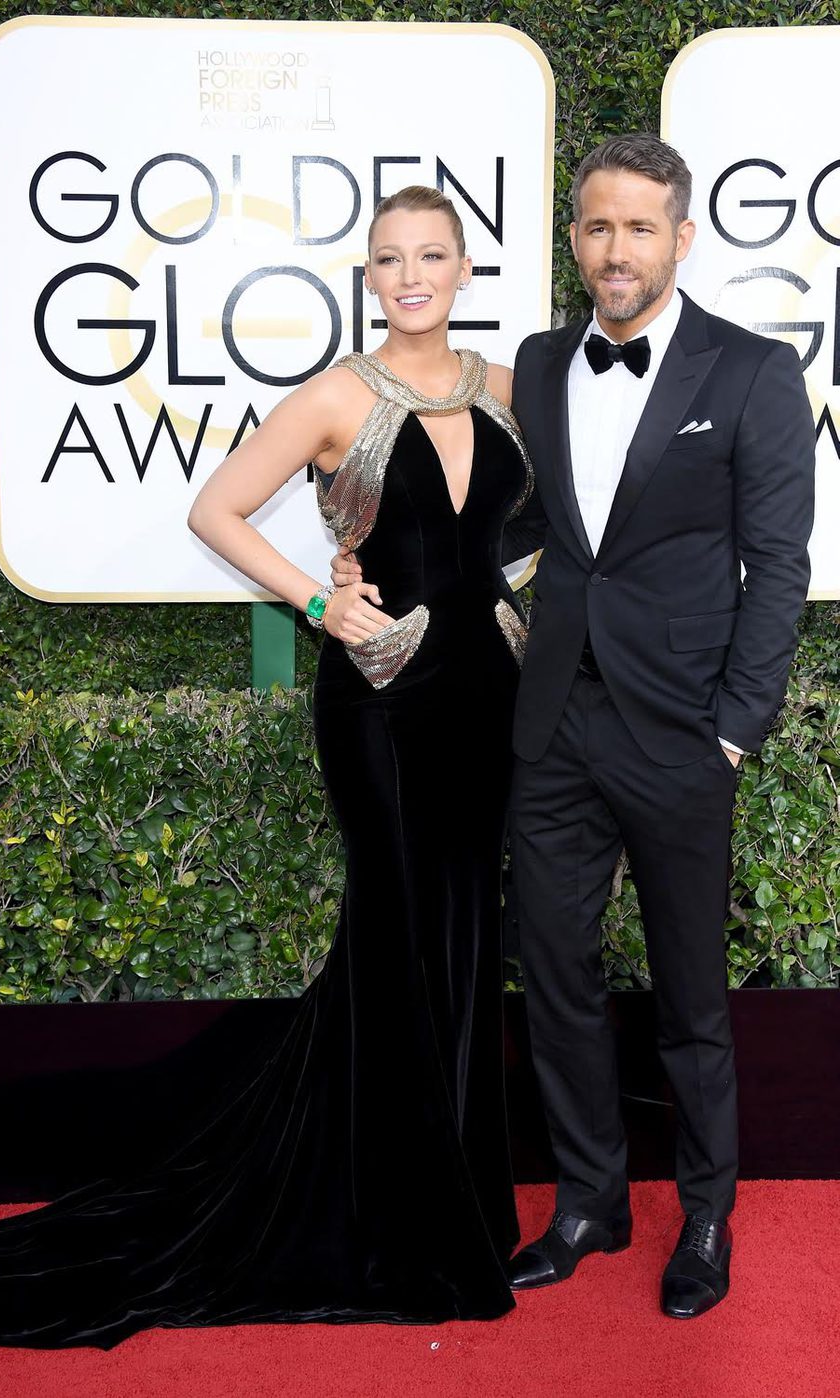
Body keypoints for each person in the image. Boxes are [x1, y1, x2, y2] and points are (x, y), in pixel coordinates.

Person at [0, 186, 533, 1347]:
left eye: (431, 256)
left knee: (466, 939)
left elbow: (534, 531)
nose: (410, 277)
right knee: (397, 942)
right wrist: (318, 601)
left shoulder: (502, 389)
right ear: (369, 276)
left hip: (488, 708)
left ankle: (454, 1201)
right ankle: (401, 1220)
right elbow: (217, 508)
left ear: (462, 269)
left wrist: (515, 602)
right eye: (389, 259)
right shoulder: (337, 396)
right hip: (382, 702)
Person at [337, 135, 816, 1320]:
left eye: (640, 228)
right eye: (597, 228)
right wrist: (348, 551)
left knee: (693, 996)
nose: (617, 250)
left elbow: (781, 568)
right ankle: (593, 1201)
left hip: (682, 736)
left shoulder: (752, 372)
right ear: (574, 241)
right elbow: (468, 496)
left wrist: (733, 733)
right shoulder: (539, 366)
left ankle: (706, 1217)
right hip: (551, 724)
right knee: (553, 972)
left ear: (682, 238)